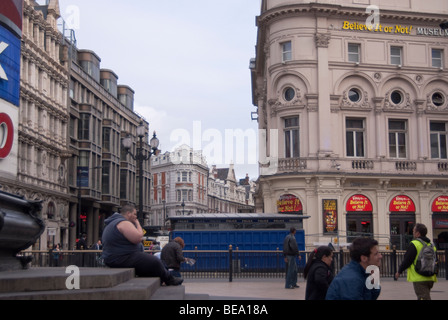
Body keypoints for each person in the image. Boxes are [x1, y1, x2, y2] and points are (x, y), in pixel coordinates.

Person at [101, 205, 182, 286]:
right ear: (128, 213)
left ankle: (164, 278)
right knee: (155, 262)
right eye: (135, 214)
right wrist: (137, 223)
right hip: (121, 257)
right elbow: (138, 237)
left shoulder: (113, 223)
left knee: (159, 263)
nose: (136, 217)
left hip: (117, 257)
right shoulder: (123, 222)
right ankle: (170, 280)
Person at [395, 223, 438, 300]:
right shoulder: (432, 245)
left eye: (414, 231)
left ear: (418, 233)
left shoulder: (415, 244)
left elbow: (407, 260)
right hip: (431, 277)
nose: (413, 233)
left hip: (419, 277)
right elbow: (435, 260)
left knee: (423, 298)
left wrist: (399, 271)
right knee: (424, 296)